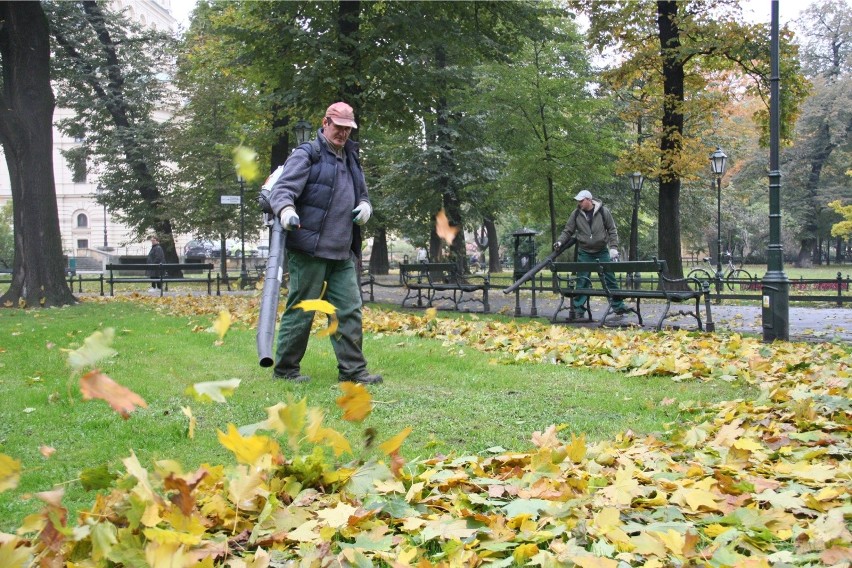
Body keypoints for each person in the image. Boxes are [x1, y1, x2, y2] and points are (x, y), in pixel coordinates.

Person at [267, 102, 382, 385]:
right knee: (303, 310)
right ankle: (286, 370)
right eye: (338, 127)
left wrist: (365, 206)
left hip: (343, 252)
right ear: (325, 122)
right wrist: (286, 211)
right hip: (309, 249)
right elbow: (282, 190)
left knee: (350, 310)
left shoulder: (352, 158)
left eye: (347, 129)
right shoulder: (308, 154)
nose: (342, 133)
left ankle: (353, 372)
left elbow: (363, 194)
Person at [554, 190, 627, 319]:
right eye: (578, 201)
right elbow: (568, 230)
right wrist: (560, 241)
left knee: (610, 279)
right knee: (582, 281)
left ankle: (618, 307)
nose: (579, 203)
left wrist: (614, 247)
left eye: (581, 201)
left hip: (602, 251)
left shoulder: (604, 212)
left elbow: (612, 230)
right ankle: (579, 310)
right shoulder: (576, 214)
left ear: (589, 200)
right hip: (585, 252)